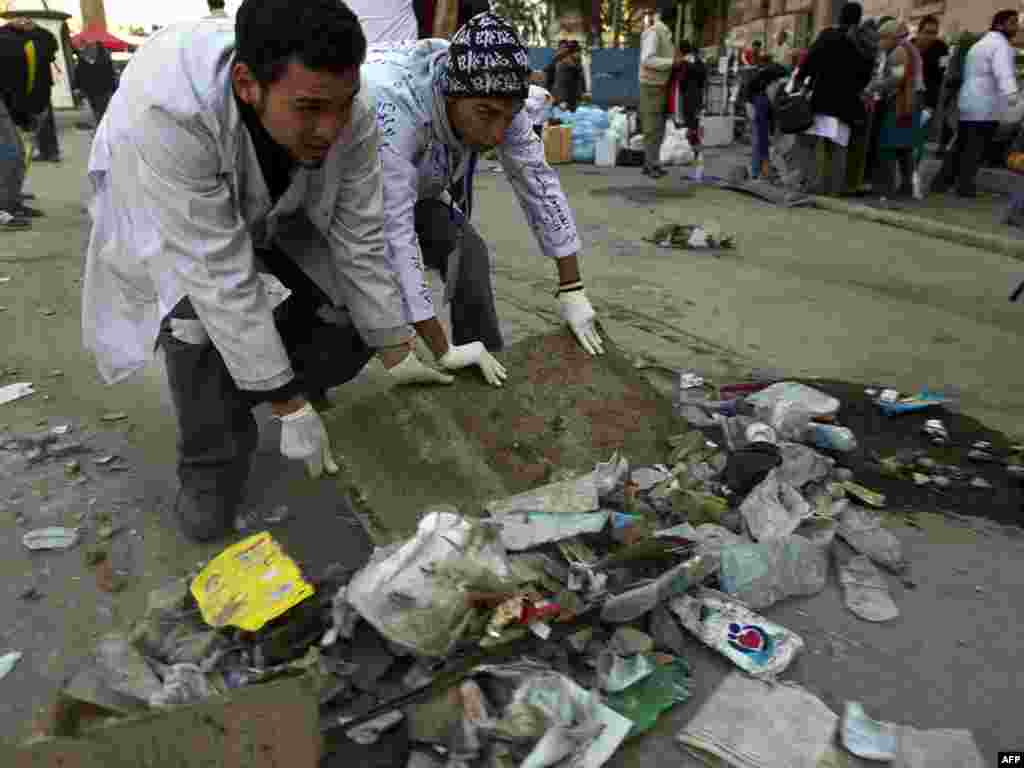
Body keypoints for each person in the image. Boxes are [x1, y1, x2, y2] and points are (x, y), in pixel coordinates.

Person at [82, 0, 451, 542]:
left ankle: (282, 380)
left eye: (342, 106)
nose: (331, 128)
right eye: (310, 108)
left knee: (342, 310)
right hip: (163, 192)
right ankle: (210, 466)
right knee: (197, 317)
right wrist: (285, 402)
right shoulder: (171, 108)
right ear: (247, 83)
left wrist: (396, 348)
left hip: (276, 190)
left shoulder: (352, 112)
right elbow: (217, 272)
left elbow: (361, 238)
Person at [363, 12, 603, 382]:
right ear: (450, 92)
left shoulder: (500, 100)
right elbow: (395, 233)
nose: (495, 135)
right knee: (354, 309)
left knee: (468, 253)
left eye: (507, 118)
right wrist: (441, 349)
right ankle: (297, 394)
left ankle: (489, 371)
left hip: (421, 185)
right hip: (345, 195)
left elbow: (538, 182)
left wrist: (572, 287)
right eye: (485, 115)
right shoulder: (394, 107)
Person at [932, 10, 1020, 197]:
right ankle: (964, 186)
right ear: (1000, 25)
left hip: (969, 101)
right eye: (1012, 23)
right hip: (985, 104)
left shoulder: (979, 44)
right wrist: (1012, 96)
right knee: (975, 147)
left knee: (961, 144)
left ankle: (941, 183)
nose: (1017, 27)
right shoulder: (1000, 46)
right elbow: (1003, 73)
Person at [795, 2, 875, 196]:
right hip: (847, 104)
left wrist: (800, 79)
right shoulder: (864, 42)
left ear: (841, 17)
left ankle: (810, 185)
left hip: (822, 100)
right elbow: (867, 74)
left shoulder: (828, 35)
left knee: (809, 144)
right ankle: (834, 191)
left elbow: (809, 60)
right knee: (838, 148)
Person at [0, 16, 52, 227]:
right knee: (10, 154)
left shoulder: (29, 47)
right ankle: (3, 208)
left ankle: (10, 203)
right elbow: (14, 88)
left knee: (16, 154)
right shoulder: (15, 49)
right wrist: (24, 117)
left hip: (5, 103)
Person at [869, 20, 924, 199]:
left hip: (901, 103)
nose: (880, 44)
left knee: (887, 146)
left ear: (890, 37)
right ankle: (907, 187)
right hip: (912, 102)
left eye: (881, 39)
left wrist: (875, 86)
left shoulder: (900, 51)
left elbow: (897, 78)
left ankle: (886, 188)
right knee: (904, 147)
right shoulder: (911, 49)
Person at [639, 0, 682, 179]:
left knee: (659, 127)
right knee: (652, 127)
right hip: (651, 85)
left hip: (660, 85)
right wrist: (672, 63)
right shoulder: (654, 32)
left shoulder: (664, 33)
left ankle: (654, 163)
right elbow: (647, 59)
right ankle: (650, 165)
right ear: (671, 18)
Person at [746, 60, 788, 179]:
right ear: (770, 83)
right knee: (759, 141)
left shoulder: (762, 88)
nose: (778, 89)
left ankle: (759, 171)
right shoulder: (761, 100)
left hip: (756, 105)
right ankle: (758, 172)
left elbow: (772, 112)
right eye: (777, 85)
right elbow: (763, 133)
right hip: (757, 108)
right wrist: (765, 158)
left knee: (760, 141)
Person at [668, 41, 707, 153]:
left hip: (684, 97)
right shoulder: (698, 61)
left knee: (686, 122)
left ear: (680, 50)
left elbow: (675, 79)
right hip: (696, 96)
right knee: (693, 122)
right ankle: (694, 147)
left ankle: (688, 147)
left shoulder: (682, 63)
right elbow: (703, 78)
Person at [73, 41, 117, 125]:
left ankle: (102, 127)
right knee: (98, 110)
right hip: (92, 91)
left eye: (93, 47)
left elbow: (110, 74)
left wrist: (113, 88)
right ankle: (101, 126)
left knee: (101, 111)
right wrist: (77, 87)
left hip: (103, 90)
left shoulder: (104, 58)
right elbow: (79, 74)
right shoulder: (83, 59)